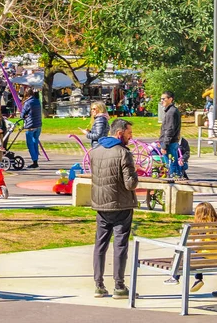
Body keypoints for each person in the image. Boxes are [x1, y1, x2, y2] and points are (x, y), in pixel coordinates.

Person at [90, 118, 139, 300]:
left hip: (101, 204)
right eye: (129, 134)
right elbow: (130, 183)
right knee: (120, 245)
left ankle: (98, 284)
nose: (131, 137)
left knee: (100, 244)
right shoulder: (123, 153)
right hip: (121, 205)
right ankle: (119, 285)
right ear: (120, 134)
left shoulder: (95, 151)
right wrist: (135, 173)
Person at [163, 202, 217, 291]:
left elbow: (197, 245)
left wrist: (186, 246)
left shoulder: (203, 227)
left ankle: (175, 277)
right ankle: (198, 279)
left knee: (183, 253)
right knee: (195, 254)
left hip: (206, 257)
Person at [159, 91, 182, 177]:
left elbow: (170, 130)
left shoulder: (171, 112)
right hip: (171, 142)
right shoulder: (171, 111)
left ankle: (175, 183)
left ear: (170, 99)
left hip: (170, 143)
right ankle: (176, 178)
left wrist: (165, 145)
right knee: (172, 164)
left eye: (164, 99)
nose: (162, 101)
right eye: (161, 99)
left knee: (172, 165)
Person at [21, 89, 42, 169]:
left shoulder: (27, 103)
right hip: (38, 125)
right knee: (35, 142)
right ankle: (36, 159)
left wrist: (25, 116)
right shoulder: (37, 101)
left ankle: (34, 161)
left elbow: (22, 115)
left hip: (30, 126)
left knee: (30, 144)